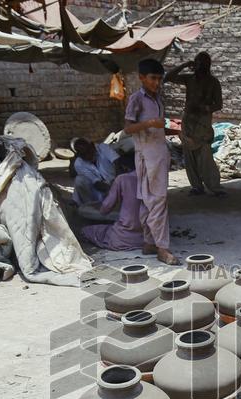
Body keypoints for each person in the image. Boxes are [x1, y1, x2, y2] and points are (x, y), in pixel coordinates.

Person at [124, 59, 178, 266]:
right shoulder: (136, 99)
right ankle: (162, 248)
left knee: (147, 198)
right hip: (147, 154)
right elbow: (128, 128)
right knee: (159, 200)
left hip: (158, 153)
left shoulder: (157, 99)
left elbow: (159, 127)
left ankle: (148, 242)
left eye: (159, 79)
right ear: (142, 78)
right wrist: (149, 123)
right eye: (153, 78)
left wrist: (174, 128)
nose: (157, 83)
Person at [165, 52, 226, 197]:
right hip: (188, 122)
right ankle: (197, 187)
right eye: (198, 62)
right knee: (189, 155)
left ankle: (215, 188)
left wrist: (204, 108)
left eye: (203, 62)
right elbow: (168, 77)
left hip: (202, 123)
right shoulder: (189, 79)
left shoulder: (213, 82)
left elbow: (218, 104)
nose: (200, 65)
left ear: (208, 65)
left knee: (205, 157)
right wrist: (185, 65)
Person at [81, 155, 146, 251]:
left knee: (86, 231)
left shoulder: (122, 179)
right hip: (148, 238)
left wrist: (101, 209)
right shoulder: (150, 179)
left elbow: (106, 207)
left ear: (124, 168)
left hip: (123, 238)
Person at [71, 137, 118, 206]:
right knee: (79, 180)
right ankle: (90, 205)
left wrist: (118, 182)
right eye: (84, 155)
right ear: (79, 155)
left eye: (88, 152)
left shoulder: (103, 148)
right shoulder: (79, 163)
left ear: (92, 146)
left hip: (115, 181)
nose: (88, 156)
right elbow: (96, 183)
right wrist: (111, 190)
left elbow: (117, 161)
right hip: (98, 190)